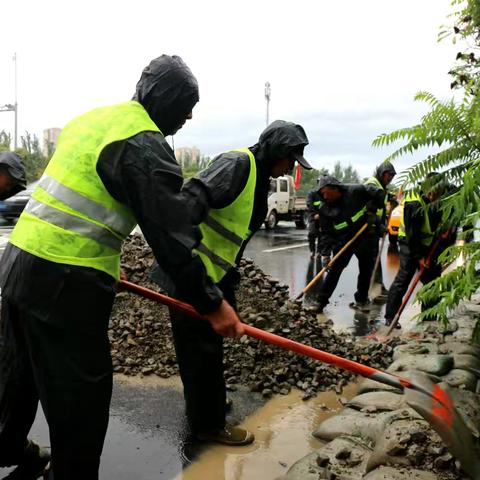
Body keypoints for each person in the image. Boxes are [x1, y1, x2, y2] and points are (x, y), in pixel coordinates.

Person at [0, 54, 243, 480]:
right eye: (186, 104)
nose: (188, 115)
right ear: (164, 98)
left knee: (17, 377)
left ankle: (9, 446)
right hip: (65, 283)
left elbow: (81, 205)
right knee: (81, 400)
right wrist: (212, 304)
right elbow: (170, 239)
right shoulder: (144, 144)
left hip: (19, 265)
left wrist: (106, 269)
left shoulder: (95, 119)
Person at [151, 120, 311, 446]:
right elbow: (186, 207)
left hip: (216, 276)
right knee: (201, 351)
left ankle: (207, 402)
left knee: (211, 345)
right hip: (191, 274)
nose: (291, 168)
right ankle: (207, 427)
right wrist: (193, 273)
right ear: (276, 151)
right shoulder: (238, 165)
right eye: (290, 159)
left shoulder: (260, 177)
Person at [384, 174, 454, 327]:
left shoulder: (444, 198)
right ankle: (390, 318)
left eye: (439, 193)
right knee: (404, 277)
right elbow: (412, 234)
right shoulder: (413, 203)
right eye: (433, 193)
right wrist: (420, 257)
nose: (435, 196)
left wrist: (445, 238)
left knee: (433, 279)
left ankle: (429, 317)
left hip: (430, 243)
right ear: (427, 189)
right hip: (409, 243)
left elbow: (446, 224)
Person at [314, 175, 384, 313]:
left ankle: (362, 300)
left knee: (365, 269)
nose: (324, 197)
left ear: (333, 188)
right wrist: (326, 255)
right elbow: (326, 234)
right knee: (335, 270)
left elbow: (378, 193)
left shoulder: (355, 191)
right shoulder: (324, 208)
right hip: (343, 240)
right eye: (321, 195)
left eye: (325, 193)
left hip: (364, 234)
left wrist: (373, 207)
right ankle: (320, 302)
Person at [364, 161, 396, 300]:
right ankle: (375, 290)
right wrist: (379, 225)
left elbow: (381, 199)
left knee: (374, 258)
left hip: (373, 229)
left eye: (392, 176)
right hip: (367, 229)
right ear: (382, 173)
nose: (390, 179)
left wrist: (390, 198)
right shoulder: (373, 184)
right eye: (389, 175)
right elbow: (369, 210)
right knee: (371, 259)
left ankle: (378, 287)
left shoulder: (381, 186)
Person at [306, 180, 323, 260]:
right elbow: (309, 204)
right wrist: (315, 214)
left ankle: (319, 252)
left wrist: (322, 214)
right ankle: (312, 251)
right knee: (311, 234)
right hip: (313, 217)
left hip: (323, 217)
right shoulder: (312, 193)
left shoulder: (324, 194)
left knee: (321, 235)